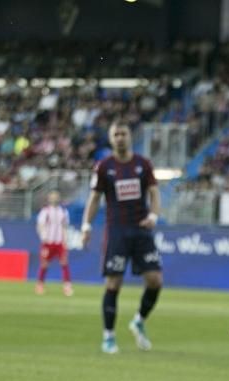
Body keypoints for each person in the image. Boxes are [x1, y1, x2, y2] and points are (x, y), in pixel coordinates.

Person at [81, 121, 162, 353]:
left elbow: (154, 193)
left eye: (123, 133)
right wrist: (86, 226)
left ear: (130, 136)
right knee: (114, 282)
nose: (120, 138)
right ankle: (108, 336)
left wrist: (154, 217)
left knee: (155, 280)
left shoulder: (143, 165)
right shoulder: (104, 167)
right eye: (115, 134)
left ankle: (138, 321)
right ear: (110, 138)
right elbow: (95, 198)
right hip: (116, 231)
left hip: (141, 229)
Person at [35, 190, 74, 297]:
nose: (54, 198)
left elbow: (65, 227)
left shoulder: (63, 212)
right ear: (49, 198)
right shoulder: (45, 211)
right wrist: (43, 238)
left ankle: (67, 286)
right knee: (44, 264)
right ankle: (40, 284)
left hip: (59, 242)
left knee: (64, 263)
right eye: (52, 196)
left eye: (56, 196)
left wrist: (66, 241)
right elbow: (40, 225)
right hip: (48, 242)